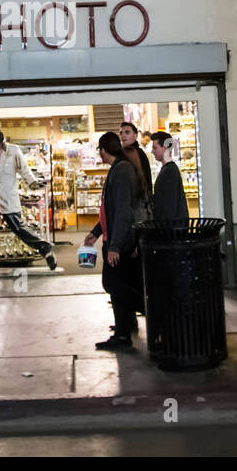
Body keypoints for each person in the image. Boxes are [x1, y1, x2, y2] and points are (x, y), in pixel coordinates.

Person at [83, 132, 150, 350]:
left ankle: (151, 309)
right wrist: (97, 232)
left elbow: (122, 211)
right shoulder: (121, 168)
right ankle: (123, 332)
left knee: (111, 283)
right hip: (117, 237)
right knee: (120, 284)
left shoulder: (121, 171)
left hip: (120, 240)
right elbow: (110, 209)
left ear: (103, 150)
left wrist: (114, 246)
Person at [0, 124, 57, 271]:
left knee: (19, 228)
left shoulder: (13, 150)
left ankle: (45, 249)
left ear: (0, 136)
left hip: (8, 197)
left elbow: (23, 168)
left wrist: (31, 182)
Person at [149, 131, 188, 225]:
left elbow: (169, 206)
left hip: (171, 231)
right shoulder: (169, 169)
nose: (152, 151)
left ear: (165, 148)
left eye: (155, 148)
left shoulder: (169, 171)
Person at [119, 122, 152, 199]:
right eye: (121, 133)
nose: (123, 135)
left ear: (135, 135)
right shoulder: (124, 154)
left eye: (127, 132)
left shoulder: (138, 154)